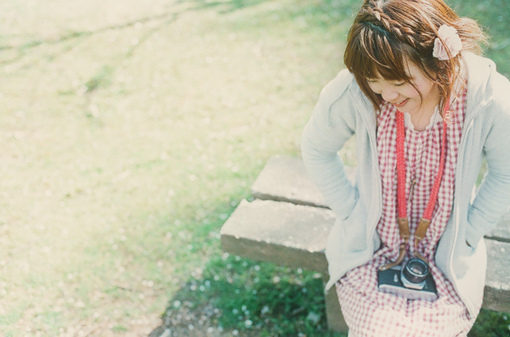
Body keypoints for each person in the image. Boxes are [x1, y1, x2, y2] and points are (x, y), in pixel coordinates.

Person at [301, 0, 510, 336]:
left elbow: (506, 173)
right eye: (373, 80)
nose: (385, 93)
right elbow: (316, 148)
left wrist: (469, 232)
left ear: (437, 60)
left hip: (447, 258)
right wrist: (352, 214)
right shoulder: (354, 91)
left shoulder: (489, 97)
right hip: (372, 251)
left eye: (397, 81)